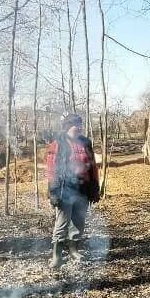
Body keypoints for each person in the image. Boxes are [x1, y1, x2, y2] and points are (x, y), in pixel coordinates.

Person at [46, 112, 100, 268]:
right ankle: (57, 256)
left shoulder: (86, 143)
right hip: (64, 190)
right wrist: (53, 191)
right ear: (68, 127)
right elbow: (51, 170)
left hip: (82, 189)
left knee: (78, 222)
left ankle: (74, 250)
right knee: (62, 223)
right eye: (76, 124)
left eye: (80, 124)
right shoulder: (58, 143)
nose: (79, 127)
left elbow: (93, 167)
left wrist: (95, 187)